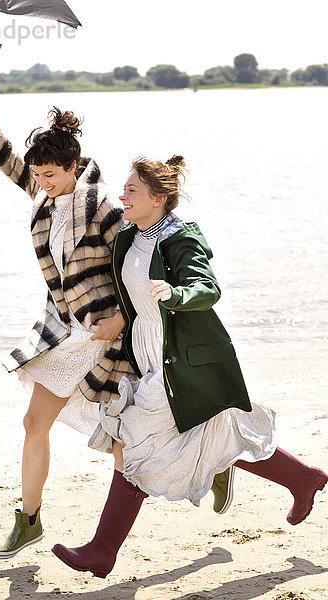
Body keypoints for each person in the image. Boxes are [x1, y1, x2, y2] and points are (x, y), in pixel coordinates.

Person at [0, 73, 233, 560]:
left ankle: (212, 462)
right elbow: (1, 155)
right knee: (33, 422)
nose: (42, 183)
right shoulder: (42, 193)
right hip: (65, 334)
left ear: (74, 166)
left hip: (109, 336)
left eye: (52, 175)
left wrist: (123, 321)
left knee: (128, 445)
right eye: (37, 175)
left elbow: (133, 265)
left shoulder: (102, 208)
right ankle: (29, 521)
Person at [52, 155, 328, 578]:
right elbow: (134, 297)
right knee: (216, 433)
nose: (122, 196)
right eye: (123, 188)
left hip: (182, 359)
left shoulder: (179, 239)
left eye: (132, 191)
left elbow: (206, 287)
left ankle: (101, 550)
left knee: (135, 440)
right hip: (147, 355)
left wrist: (176, 294)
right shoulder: (129, 235)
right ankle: (304, 478)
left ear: (159, 199)